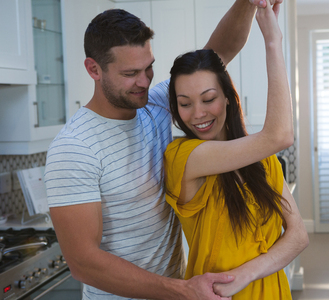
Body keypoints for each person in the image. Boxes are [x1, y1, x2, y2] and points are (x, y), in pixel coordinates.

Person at [44, 1, 283, 299]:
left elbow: (219, 52)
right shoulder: (74, 148)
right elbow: (83, 263)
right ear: (94, 69)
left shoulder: (152, 105)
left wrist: (248, 3)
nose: (144, 82)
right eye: (131, 73)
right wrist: (181, 289)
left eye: (149, 68)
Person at [164, 3, 309, 300]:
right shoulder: (182, 158)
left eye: (209, 99)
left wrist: (246, 274)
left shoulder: (262, 159)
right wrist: (272, 41)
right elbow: (280, 135)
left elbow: (298, 236)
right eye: (185, 103)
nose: (197, 114)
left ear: (228, 98)